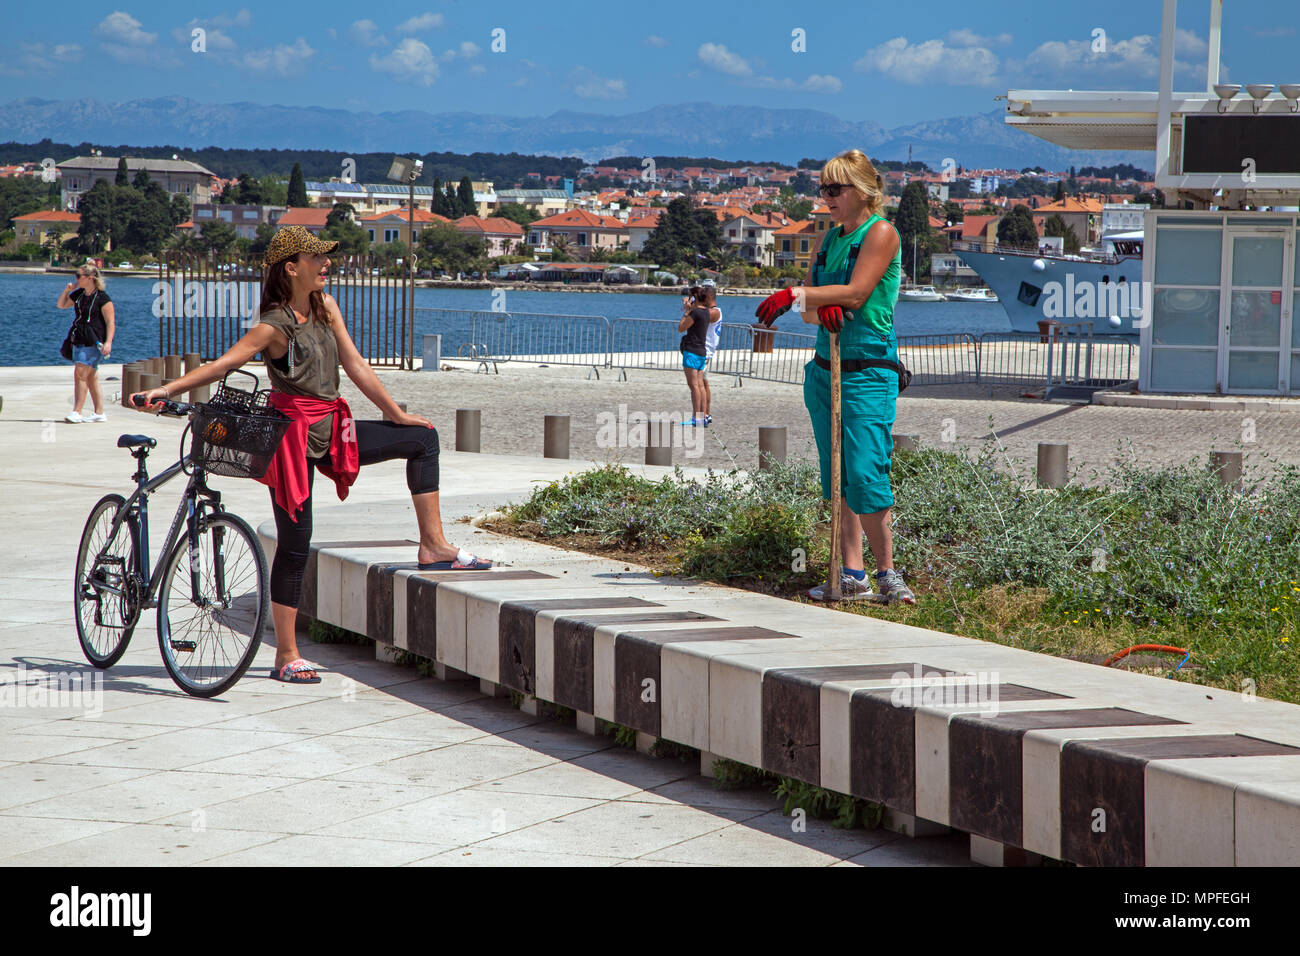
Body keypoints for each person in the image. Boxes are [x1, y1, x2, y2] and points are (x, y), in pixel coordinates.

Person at [131, 225, 492, 685]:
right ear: (291, 268)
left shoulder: (326, 307)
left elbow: (356, 365)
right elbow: (223, 364)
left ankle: (434, 545)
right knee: (296, 545)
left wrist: (396, 413)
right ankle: (286, 654)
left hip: (333, 428)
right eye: (317, 259)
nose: (327, 265)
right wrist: (164, 389)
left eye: (326, 258)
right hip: (292, 441)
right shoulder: (274, 326)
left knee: (422, 439)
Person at [754, 149, 915, 604]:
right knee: (838, 477)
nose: (826, 198)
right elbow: (810, 314)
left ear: (863, 191)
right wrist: (815, 305)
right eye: (822, 188)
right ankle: (851, 574)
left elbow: (859, 291)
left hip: (866, 372)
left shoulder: (880, 233)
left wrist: (798, 293)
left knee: (866, 473)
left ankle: (888, 574)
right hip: (825, 371)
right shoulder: (829, 241)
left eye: (835, 189)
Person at [56, 263, 115, 423]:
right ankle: (99, 412)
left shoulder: (103, 298)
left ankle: (77, 411)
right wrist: (67, 290)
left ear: (90, 278)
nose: (76, 279)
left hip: (94, 340)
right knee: (91, 377)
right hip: (78, 337)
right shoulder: (80, 294)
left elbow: (110, 322)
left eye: (78, 276)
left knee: (80, 374)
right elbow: (61, 305)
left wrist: (108, 342)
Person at [678, 284, 720, 427]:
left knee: (694, 386)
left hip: (692, 351)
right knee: (700, 385)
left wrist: (686, 311)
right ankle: (702, 416)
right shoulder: (707, 313)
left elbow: (681, 328)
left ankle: (696, 417)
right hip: (702, 352)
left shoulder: (697, 313)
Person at [699, 279, 722, 426]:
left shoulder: (714, 312)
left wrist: (692, 306)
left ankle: (703, 414)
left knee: (699, 385)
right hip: (705, 351)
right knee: (703, 383)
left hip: (704, 352)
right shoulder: (714, 311)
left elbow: (698, 317)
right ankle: (706, 413)